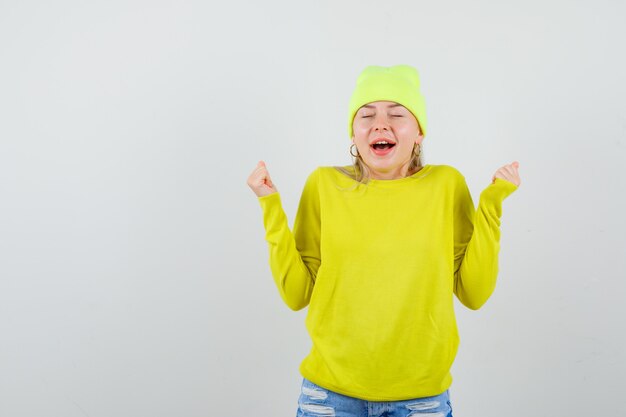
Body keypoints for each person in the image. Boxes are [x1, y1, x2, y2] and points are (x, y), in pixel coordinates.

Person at [246, 64, 521, 417]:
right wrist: (269, 205)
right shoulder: (324, 185)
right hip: (329, 396)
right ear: (353, 133)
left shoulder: (446, 185)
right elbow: (296, 294)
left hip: (421, 397)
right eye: (366, 115)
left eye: (396, 114)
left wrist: (492, 204)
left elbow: (474, 293)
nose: (380, 124)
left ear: (419, 132)